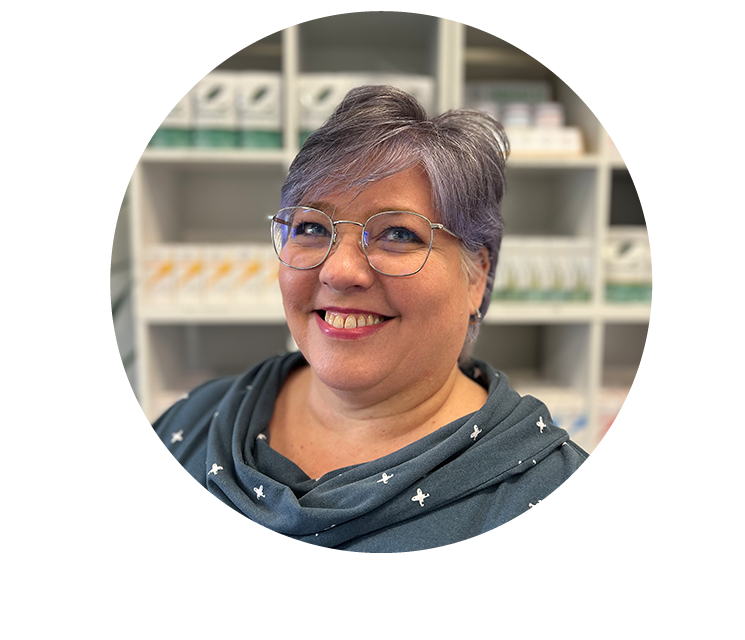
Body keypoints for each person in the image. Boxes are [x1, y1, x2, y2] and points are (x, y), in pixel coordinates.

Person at [110, 86, 653, 553]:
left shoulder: (581, 520)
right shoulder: (190, 425)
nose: (339, 271)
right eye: (311, 228)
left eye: (398, 234)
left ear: (477, 275)